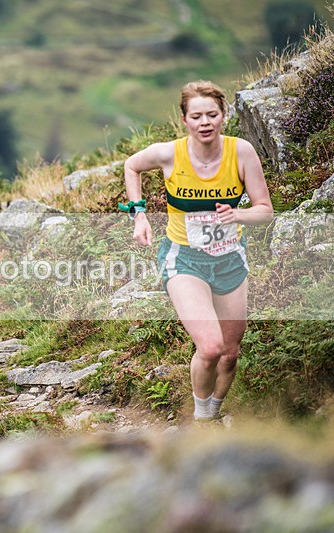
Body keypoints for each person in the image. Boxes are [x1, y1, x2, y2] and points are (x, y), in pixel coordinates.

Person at [123, 80, 273, 421]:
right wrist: (139, 214)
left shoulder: (241, 152)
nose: (205, 122)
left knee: (229, 354)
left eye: (211, 115)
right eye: (196, 116)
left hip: (229, 259)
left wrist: (237, 215)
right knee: (210, 347)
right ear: (184, 120)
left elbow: (265, 210)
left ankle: (214, 410)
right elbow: (131, 165)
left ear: (223, 116)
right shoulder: (169, 154)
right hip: (184, 260)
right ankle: (202, 417)